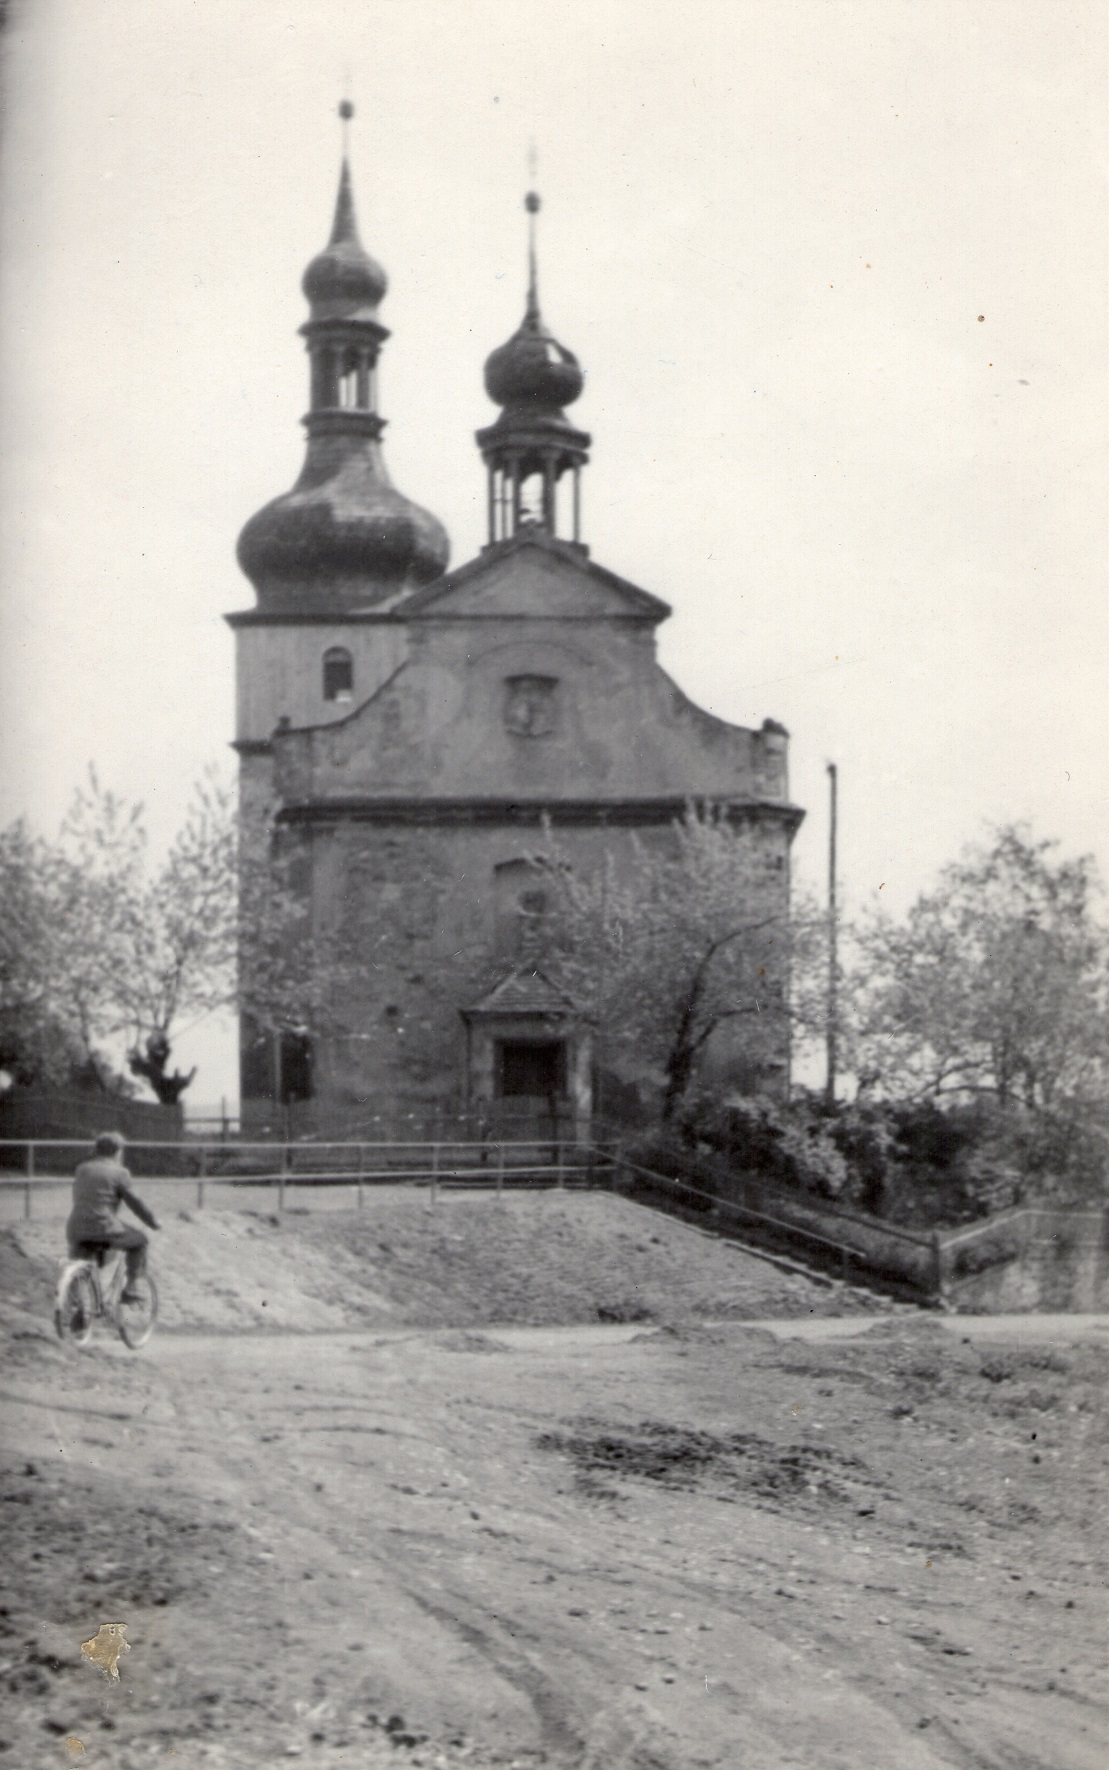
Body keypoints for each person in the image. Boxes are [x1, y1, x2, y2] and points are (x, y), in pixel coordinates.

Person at [67, 1132, 160, 1302]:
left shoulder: (82, 1168)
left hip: (76, 1227)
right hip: (103, 1227)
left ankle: (79, 1305)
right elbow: (135, 1203)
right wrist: (152, 1221)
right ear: (118, 1151)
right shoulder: (120, 1173)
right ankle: (131, 1287)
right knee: (140, 1241)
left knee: (86, 1256)